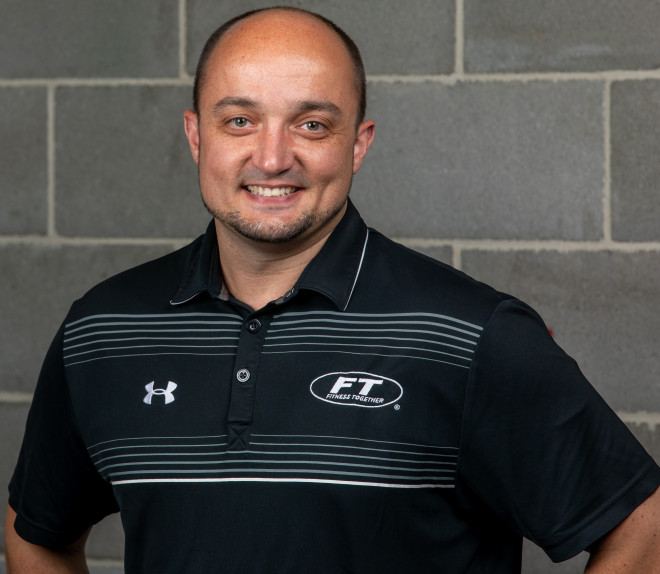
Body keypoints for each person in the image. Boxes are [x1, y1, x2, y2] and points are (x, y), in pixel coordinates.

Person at [5, 6, 660, 573]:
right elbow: (35, 534)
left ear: (358, 145)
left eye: (312, 125)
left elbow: (642, 531)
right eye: (240, 121)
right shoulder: (103, 330)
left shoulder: (470, 335)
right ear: (196, 136)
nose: (272, 158)